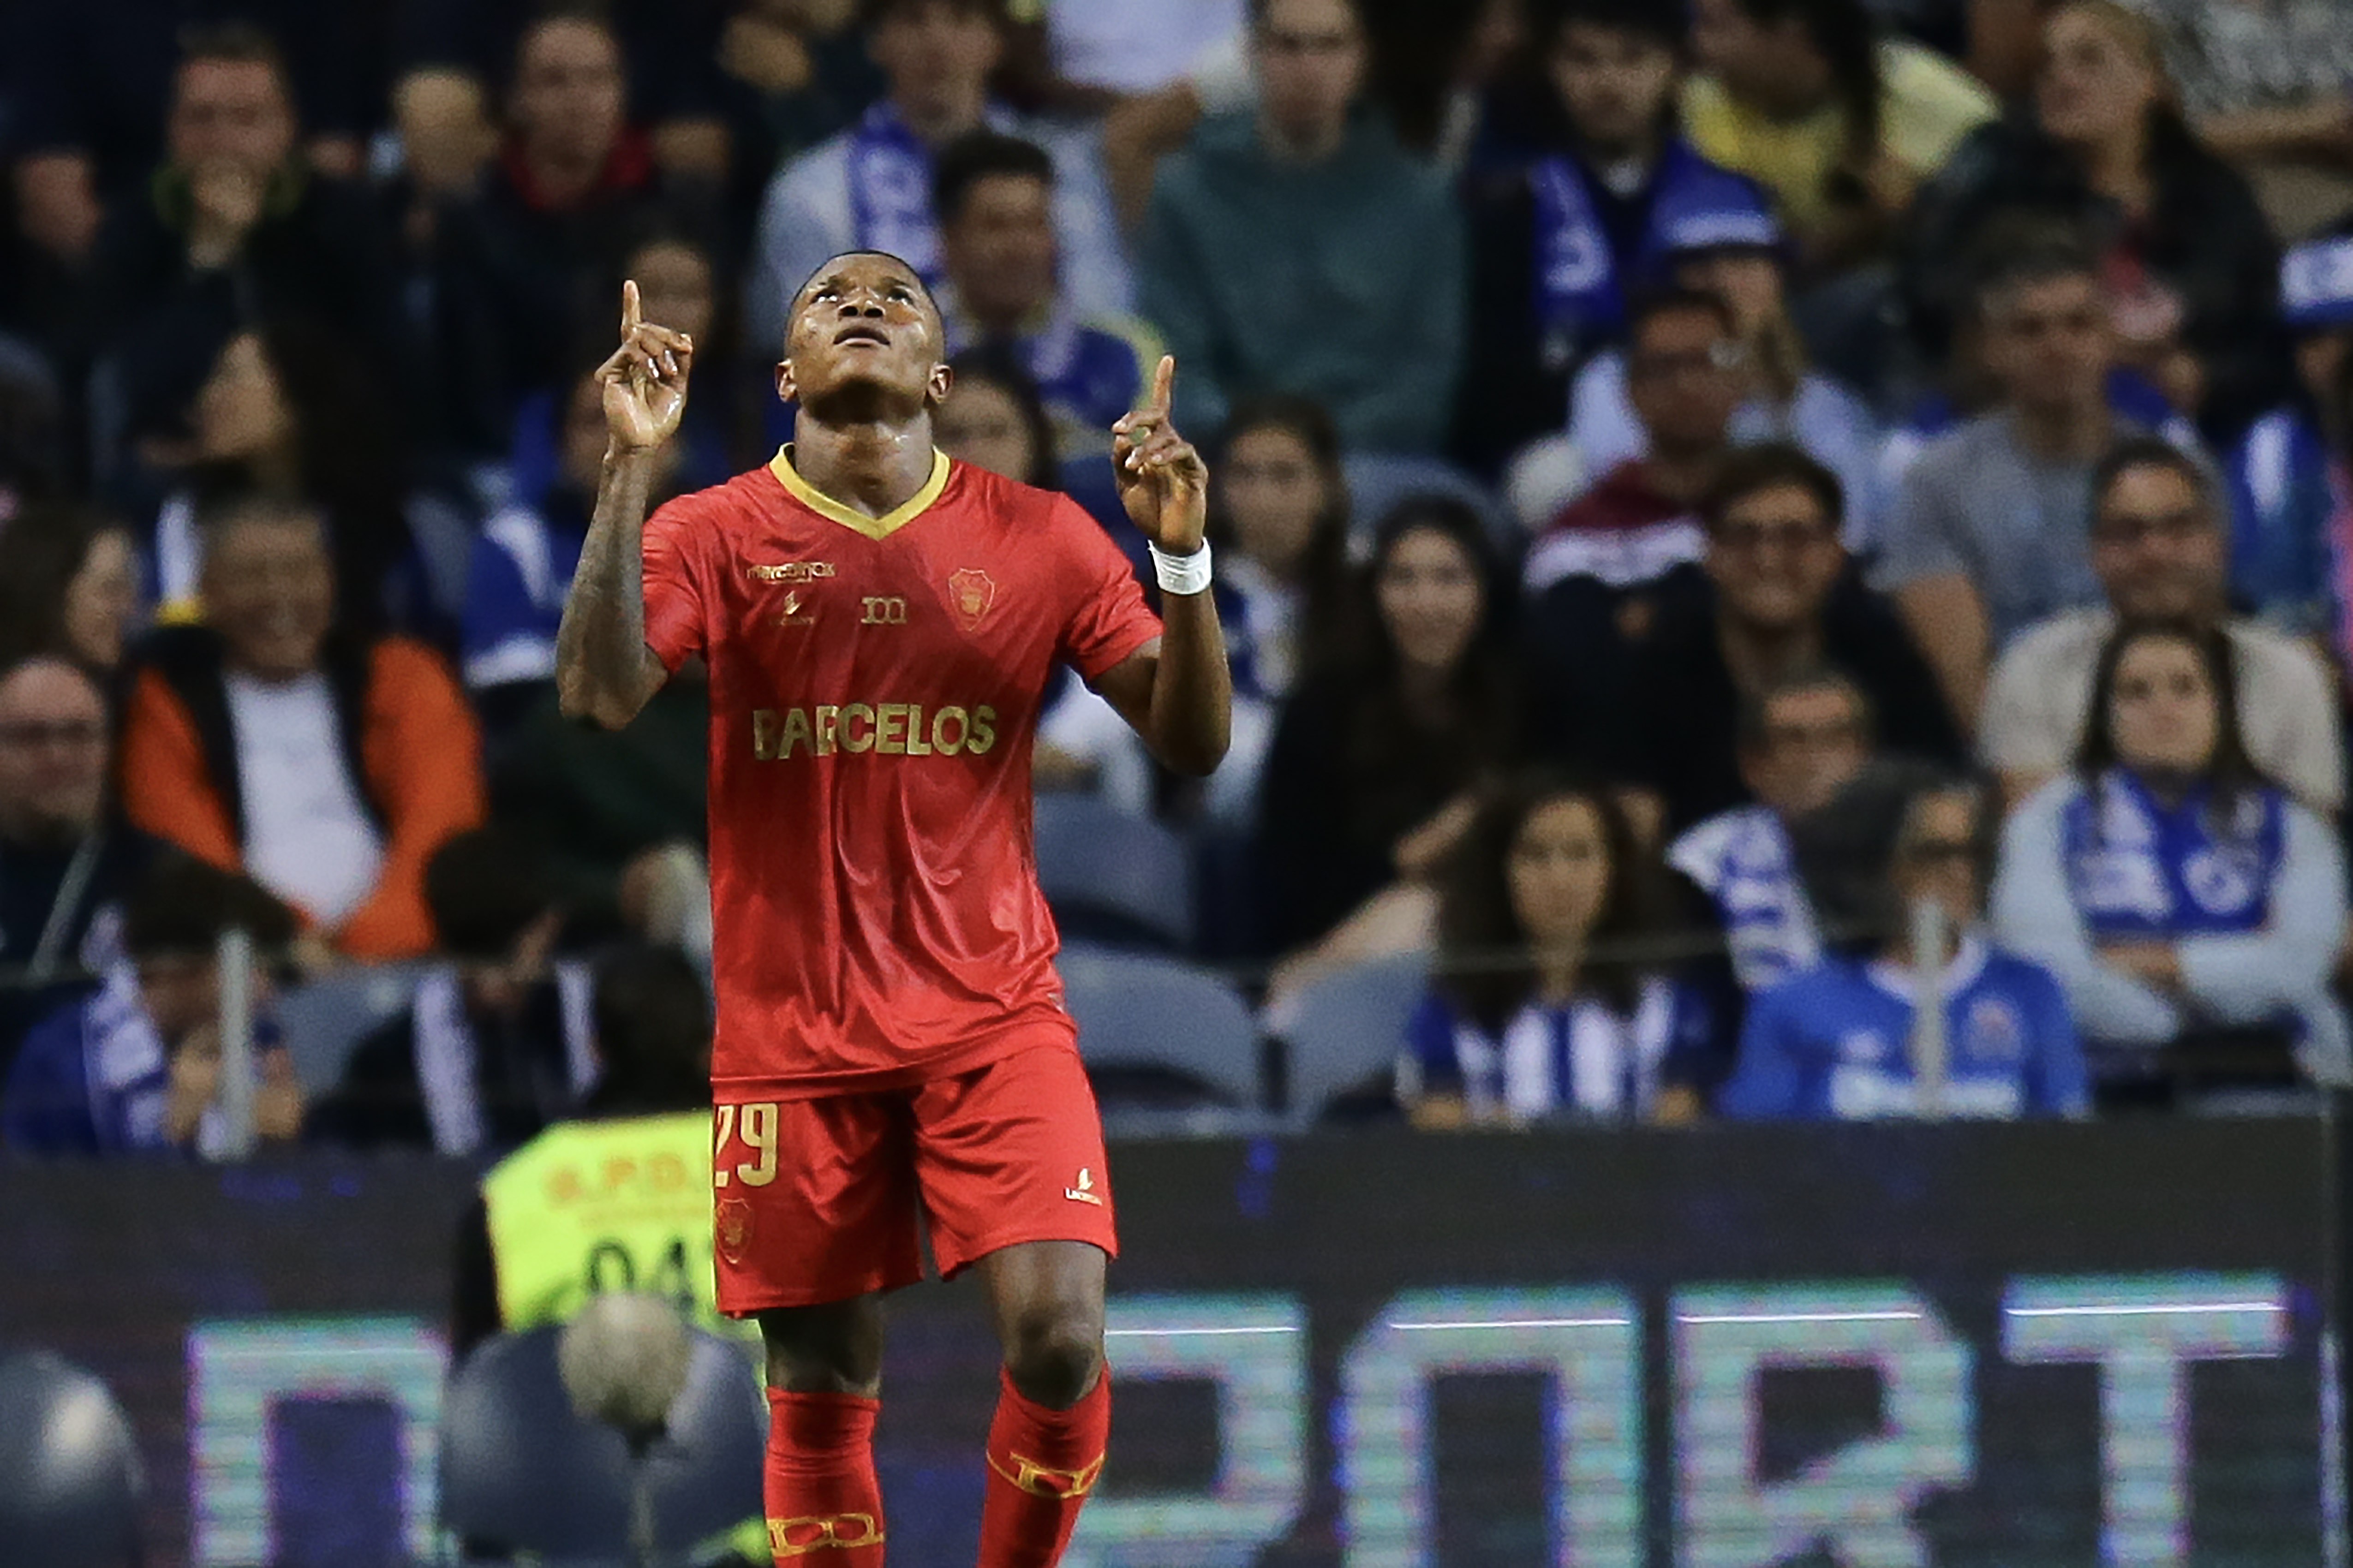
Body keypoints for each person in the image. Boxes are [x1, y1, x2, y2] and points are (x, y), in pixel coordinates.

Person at [554, 250, 1229, 1565]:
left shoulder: (1040, 535)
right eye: (827, 298)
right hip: (790, 1027)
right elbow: (596, 691)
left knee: (1060, 1333)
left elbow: (1189, 738)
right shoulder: (717, 528)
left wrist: (1185, 561)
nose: (863, 303)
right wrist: (631, 466)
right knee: (819, 1383)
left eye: (897, 298)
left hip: (992, 1011)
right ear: (788, 374)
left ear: (939, 375)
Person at [1991, 619, 2352, 1099]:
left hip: (2278, 1073)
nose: (2163, 708)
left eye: (2185, 688)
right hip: (2100, 1076)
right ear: (2105, 712)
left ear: (2221, 706)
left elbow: (2298, 966)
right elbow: (2046, 965)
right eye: (2136, 692)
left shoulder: (2292, 823)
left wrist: (2149, 961)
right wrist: (2171, 1033)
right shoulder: (2046, 820)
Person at [116, 493, 485, 962]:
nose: (278, 595)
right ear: (207, 592)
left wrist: (374, 943)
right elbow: (187, 850)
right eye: (251, 576)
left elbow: (442, 821)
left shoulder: (404, 680)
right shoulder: (166, 701)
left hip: (407, 958)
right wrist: (285, 938)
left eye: (297, 571)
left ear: (331, 580)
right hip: (248, 969)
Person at [1901, 0, 2287, 443]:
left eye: (2089, 59)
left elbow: (2264, 331)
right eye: (2047, 66)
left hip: (2201, 424)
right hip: (2023, 423)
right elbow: (1935, 302)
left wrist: (2210, 375)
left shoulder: (2214, 195)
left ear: (2151, 82)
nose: (2062, 79)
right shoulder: (1996, 189)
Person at [1875, 230, 2196, 734]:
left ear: (2110, 337)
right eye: (2030, 330)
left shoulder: (2174, 471)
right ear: (1991, 349)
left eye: (2079, 324)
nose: (2058, 347)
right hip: (2019, 742)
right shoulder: (1937, 484)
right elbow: (1967, 682)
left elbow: (2202, 629)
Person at [1452, 0, 1777, 474]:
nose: (1607, 82)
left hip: (1717, 434)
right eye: (1584, 60)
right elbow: (1492, 375)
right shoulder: (1506, 205)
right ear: (1553, 70)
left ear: (1677, 69)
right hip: (1558, 449)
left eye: (1633, 59)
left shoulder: (1731, 201)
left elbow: (1764, 348)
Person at [1139, 0, 1467, 453]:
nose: (1309, 68)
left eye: (1330, 46)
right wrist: (1253, 446)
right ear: (1253, 53)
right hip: (1224, 459)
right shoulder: (1187, 193)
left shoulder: (1422, 198)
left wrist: (1315, 452)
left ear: (1362, 59)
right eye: (1288, 45)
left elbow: (1427, 373)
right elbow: (1177, 363)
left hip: (1377, 454)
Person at [89, 25, 406, 474]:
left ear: (287, 127)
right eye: (201, 118)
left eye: (247, 119)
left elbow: (383, 376)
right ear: (172, 129)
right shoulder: (136, 228)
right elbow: (136, 392)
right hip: (179, 469)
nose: (222, 141)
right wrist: (211, 258)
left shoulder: (344, 220)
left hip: (328, 462)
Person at [747, 0, 1130, 360]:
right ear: (877, 41)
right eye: (914, 19)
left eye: (962, 18)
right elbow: (800, 347)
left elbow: (1103, 314)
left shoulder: (1064, 175)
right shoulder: (812, 192)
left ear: (996, 41)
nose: (937, 42)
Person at [1607, 444, 1960, 835]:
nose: (1769, 560)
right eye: (1744, 536)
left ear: (1835, 553)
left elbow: (1942, 803)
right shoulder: (1659, 665)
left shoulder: (1884, 654)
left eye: (1796, 537)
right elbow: (1634, 833)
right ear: (1711, 553)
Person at [1983, 439, 2342, 812]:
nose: (2155, 552)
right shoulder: (2036, 668)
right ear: (2094, 551)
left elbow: (2310, 846)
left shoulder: (2289, 673)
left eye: (2180, 528)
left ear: (2219, 541)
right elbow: (2034, 842)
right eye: (2128, 532)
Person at [1720, 765, 2088, 1120]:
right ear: (1875, 863)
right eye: (1934, 854)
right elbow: (1757, 1153)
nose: (1960, 873)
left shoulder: (2031, 993)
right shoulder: (1795, 1004)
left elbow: (2064, 1144)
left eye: (1972, 853)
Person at [1257, 498, 1520, 991]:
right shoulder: (1320, 712)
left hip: (1505, 937)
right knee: (1417, 910)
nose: (1426, 603)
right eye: (1404, 579)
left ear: (1486, 591)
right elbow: (1291, 886)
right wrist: (1419, 852)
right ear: (1373, 593)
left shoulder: (1528, 702)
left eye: (1449, 579)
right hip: (1339, 946)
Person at [447, 942, 735, 1353]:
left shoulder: (509, 1196)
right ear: (712, 1044)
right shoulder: (785, 1180)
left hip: (570, 1416)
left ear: (595, 1049)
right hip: (754, 1416)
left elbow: (477, 1390)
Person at [1399, 775, 1725, 1127]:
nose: (1559, 878)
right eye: (1536, 855)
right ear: (1500, 873)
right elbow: (1437, 1147)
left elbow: (1678, 1141)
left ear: (1614, 870)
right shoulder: (1451, 1013)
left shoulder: (1669, 1008)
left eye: (1580, 854)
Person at [431, 9, 674, 457]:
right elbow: (475, 386)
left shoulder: (667, 207)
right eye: (555, 82)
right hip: (514, 453)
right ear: (517, 99)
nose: (579, 99)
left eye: (598, 79)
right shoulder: (473, 225)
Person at [1564, 215, 1887, 546]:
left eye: (1744, 261)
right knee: (1551, 471)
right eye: (1700, 264)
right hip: (1635, 549)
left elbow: (1852, 528)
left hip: (1783, 566)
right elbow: (1607, 482)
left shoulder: (1824, 400)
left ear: (1777, 277)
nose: (1723, 281)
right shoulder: (1608, 376)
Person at [142, 322, 440, 637]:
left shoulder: (382, 523)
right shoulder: (186, 519)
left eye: (231, 376)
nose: (208, 397)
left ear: (296, 400)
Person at [307, 831, 595, 1155]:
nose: (488, 985)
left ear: (549, 925)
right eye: (470, 961)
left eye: (505, 956)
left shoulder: (609, 1018)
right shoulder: (390, 1061)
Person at [3, 856, 302, 1157]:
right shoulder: (63, 1056)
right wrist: (181, 1136)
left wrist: (283, 1142)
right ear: (174, 966)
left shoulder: (261, 1039)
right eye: (252, 967)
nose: (268, 991)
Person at [1683, 0, 1996, 278]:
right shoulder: (1697, 104)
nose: (1697, 43)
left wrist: (1912, 211)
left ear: (1792, 31)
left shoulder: (1921, 95)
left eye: (1716, 26)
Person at [466, 370, 684, 739]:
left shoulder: (719, 543)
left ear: (676, 443)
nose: (621, 433)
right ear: (562, 446)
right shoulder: (517, 541)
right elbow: (511, 689)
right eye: (595, 421)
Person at [934, 131, 1161, 463]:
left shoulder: (1124, 352)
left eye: (1034, 224)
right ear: (948, 241)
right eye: (996, 226)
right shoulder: (908, 357)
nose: (1020, 248)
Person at [0, 657, 163, 1080]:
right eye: (31, 736)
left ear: (108, 748)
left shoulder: (163, 876)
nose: (56, 755)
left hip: (100, 1126)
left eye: (78, 734)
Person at [1667, 667, 1876, 995]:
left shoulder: (1906, 845)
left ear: (1867, 756)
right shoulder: (1701, 862)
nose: (1817, 758)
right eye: (1795, 740)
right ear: (1753, 766)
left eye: (1837, 738)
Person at [2224, 231, 2353, 636]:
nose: (2333, 355)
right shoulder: (2267, 447)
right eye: (2311, 338)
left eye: (2346, 334)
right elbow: (2259, 587)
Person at [0, 505, 143, 680]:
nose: (128, 609)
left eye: (130, 589)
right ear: (53, 595)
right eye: (111, 589)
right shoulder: (49, 699)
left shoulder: (135, 686)